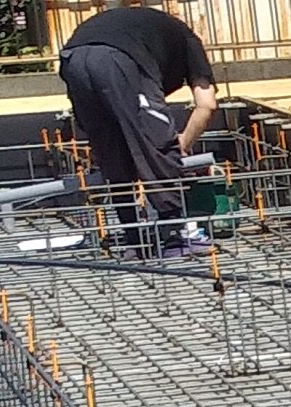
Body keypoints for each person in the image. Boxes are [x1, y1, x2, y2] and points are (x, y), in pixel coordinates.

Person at [59, 2, 218, 257]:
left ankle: (134, 240)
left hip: (73, 60)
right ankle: (175, 237)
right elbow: (207, 104)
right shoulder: (187, 40)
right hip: (120, 60)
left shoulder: (151, 30)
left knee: (110, 149)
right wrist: (183, 143)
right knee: (156, 145)